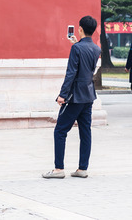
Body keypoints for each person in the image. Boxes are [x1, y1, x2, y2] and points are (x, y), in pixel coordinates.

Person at [42, 16, 101, 179]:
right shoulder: (96, 49)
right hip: (89, 95)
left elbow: (72, 73)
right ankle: (82, 168)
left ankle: (58, 169)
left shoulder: (77, 49)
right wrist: (76, 43)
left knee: (60, 130)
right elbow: (86, 68)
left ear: (80, 28)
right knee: (85, 131)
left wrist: (62, 95)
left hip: (75, 96)